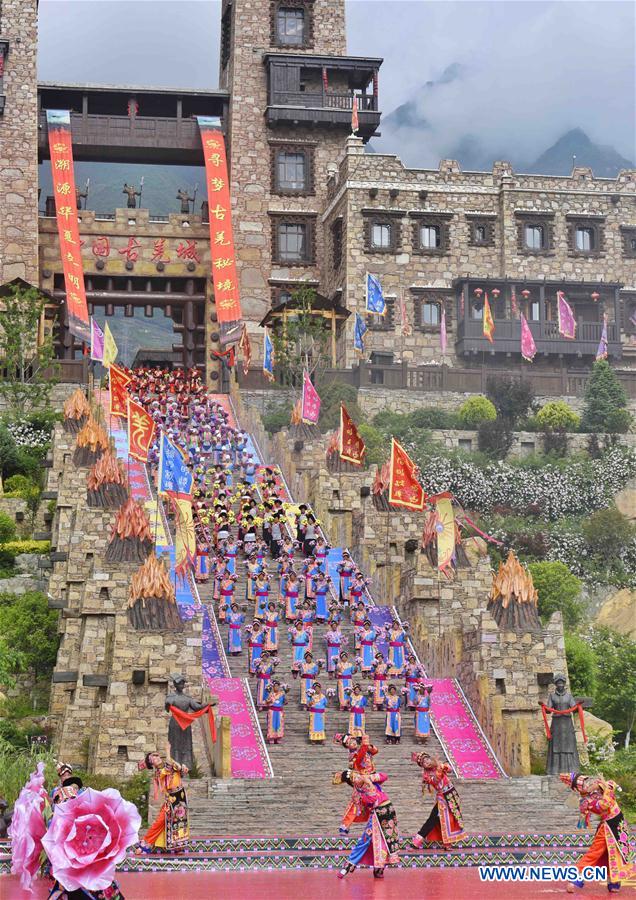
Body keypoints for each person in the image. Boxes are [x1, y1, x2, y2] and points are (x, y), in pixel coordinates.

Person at [560, 772, 635, 893]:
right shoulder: (586, 801)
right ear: (581, 789)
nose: (590, 783)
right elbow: (604, 805)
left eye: (588, 780)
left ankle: (614, 881)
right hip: (608, 827)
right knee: (595, 853)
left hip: (617, 824)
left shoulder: (597, 789)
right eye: (586, 783)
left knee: (615, 853)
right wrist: (608, 787)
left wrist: (605, 784)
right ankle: (574, 878)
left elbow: (609, 784)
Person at [333, 769, 399, 879]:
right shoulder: (357, 792)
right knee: (365, 839)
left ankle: (379, 868)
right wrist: (368, 784)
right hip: (377, 814)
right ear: (352, 783)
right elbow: (370, 800)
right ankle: (349, 864)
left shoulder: (369, 778)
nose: (357, 778)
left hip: (389, 811)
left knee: (386, 840)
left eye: (357, 776)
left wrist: (370, 778)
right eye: (354, 779)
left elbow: (384, 776)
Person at [137, 752, 189, 854]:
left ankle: (179, 847)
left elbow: (180, 770)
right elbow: (168, 770)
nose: (157, 758)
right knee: (161, 821)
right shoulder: (159, 772)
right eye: (154, 758)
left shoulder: (169, 764)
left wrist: (183, 768)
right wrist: (171, 756)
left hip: (181, 795)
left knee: (180, 821)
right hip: (171, 798)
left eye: (157, 756)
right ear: (152, 764)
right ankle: (145, 844)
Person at [411, 752, 464, 849]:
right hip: (442, 797)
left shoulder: (439, 765)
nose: (427, 762)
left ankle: (446, 843)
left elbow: (450, 770)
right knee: (435, 818)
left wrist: (445, 767)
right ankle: (418, 840)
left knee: (449, 819)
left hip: (451, 793)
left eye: (427, 760)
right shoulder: (426, 775)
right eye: (424, 763)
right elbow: (436, 780)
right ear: (423, 766)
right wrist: (440, 770)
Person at [334, 733, 379, 834]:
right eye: (349, 743)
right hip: (361, 781)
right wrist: (365, 743)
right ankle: (345, 825)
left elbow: (375, 751)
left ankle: (376, 824)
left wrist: (369, 746)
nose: (352, 743)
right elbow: (360, 759)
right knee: (355, 803)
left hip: (371, 779)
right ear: (347, 747)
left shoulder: (364, 748)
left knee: (376, 802)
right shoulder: (353, 755)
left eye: (353, 740)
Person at [541, 675, 583, 775]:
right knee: (556, 745)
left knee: (568, 745)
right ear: (556, 684)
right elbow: (548, 710)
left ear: (564, 684)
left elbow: (574, 708)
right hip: (556, 724)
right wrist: (543, 706)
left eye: (562, 683)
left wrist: (579, 706)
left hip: (567, 724)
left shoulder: (569, 696)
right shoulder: (552, 696)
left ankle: (571, 769)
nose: (560, 685)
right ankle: (554, 770)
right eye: (558, 683)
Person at [265, 680, 286, 744]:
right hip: (272, 711)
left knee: (279, 724)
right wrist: (268, 701)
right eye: (275, 686)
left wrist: (285, 701)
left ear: (279, 687)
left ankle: (278, 737)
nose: (276, 688)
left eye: (277, 686)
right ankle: (271, 737)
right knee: (272, 724)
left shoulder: (282, 694)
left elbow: (284, 702)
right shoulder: (270, 694)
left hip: (279, 711)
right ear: (273, 687)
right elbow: (266, 702)